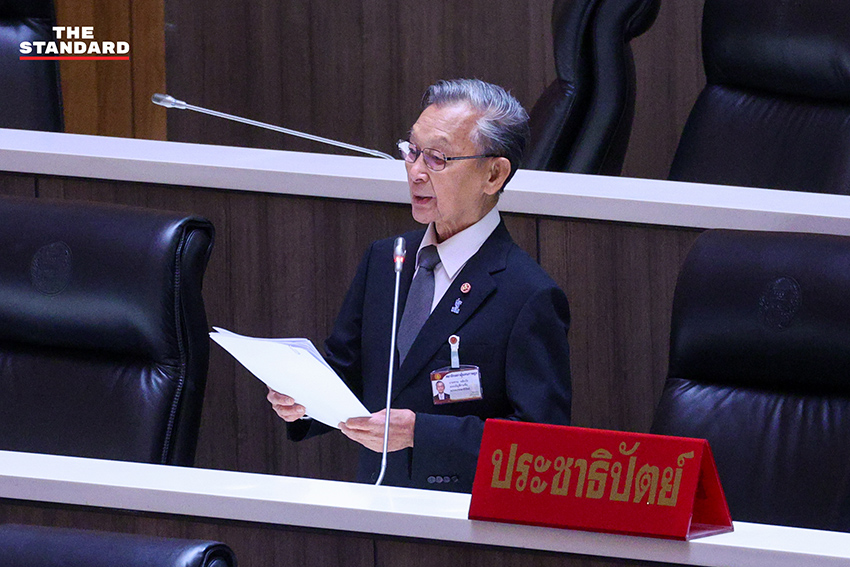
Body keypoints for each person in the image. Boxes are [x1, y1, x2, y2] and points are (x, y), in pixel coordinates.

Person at [268, 78, 572, 492]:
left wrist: (421, 434)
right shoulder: (385, 258)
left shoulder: (527, 294)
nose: (415, 172)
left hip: (460, 519)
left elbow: (543, 447)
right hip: (375, 503)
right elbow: (346, 375)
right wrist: (300, 400)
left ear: (494, 175)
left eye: (437, 158)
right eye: (411, 152)